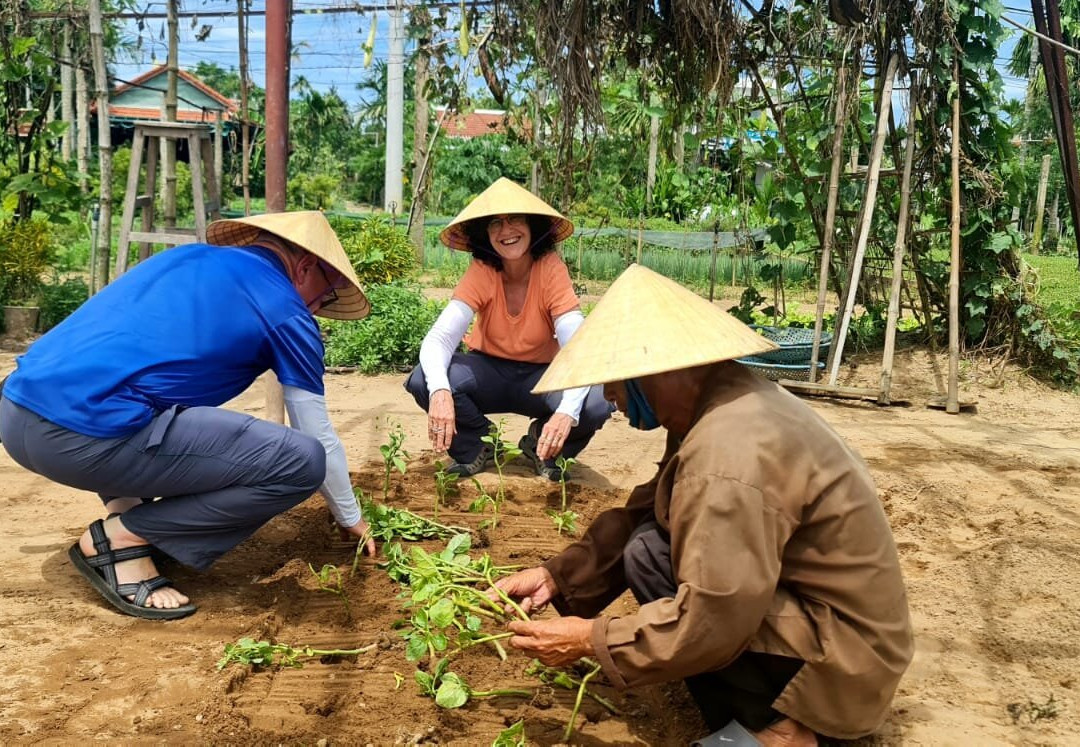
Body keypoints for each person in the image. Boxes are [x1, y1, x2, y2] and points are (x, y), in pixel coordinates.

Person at [493, 264, 914, 745]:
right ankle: (763, 711)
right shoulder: (718, 405)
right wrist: (556, 576)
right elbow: (645, 511)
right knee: (649, 549)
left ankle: (788, 730)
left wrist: (591, 639)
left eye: (616, 379)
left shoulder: (726, 450)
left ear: (665, 370)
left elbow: (715, 616)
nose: (609, 396)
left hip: (846, 659)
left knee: (666, 574)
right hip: (833, 629)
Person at [0, 211, 377, 620]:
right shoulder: (285, 309)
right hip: (80, 439)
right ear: (304, 267)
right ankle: (119, 541)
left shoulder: (183, 259)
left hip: (16, 415)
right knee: (300, 461)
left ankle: (127, 513)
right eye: (329, 292)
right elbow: (317, 435)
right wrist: (350, 517)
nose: (322, 306)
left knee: (149, 400)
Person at [404, 177, 612, 480]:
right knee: (424, 378)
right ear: (484, 234)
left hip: (543, 378)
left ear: (533, 226)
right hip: (488, 372)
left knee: (598, 398)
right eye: (495, 223)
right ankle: (477, 446)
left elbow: (578, 346)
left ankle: (544, 447)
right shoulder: (483, 271)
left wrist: (567, 411)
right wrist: (439, 392)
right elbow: (439, 338)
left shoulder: (551, 269)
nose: (506, 231)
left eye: (515, 219)